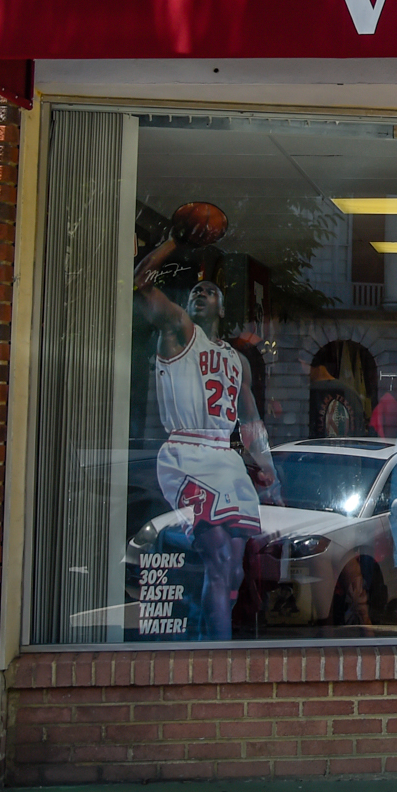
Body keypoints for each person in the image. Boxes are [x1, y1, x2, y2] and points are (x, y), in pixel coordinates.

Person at [135, 218, 277, 641]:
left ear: (222, 308)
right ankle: (217, 658)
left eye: (210, 291)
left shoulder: (236, 360)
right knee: (218, 562)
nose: (200, 293)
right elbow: (140, 283)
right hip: (187, 452)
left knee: (232, 569)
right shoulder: (179, 330)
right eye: (196, 290)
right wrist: (172, 242)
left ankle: (204, 632)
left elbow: (250, 421)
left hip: (226, 458)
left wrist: (269, 470)